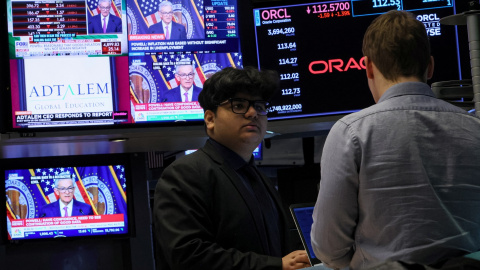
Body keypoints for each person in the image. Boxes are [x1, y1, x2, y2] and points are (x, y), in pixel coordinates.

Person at [310, 10, 480, 270]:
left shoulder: (350, 132)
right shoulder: (475, 127)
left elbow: (328, 247)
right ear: (430, 66)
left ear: (367, 66)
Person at [153, 67, 311, 270]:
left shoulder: (260, 179)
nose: (253, 113)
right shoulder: (184, 175)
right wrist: (275, 265)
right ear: (210, 119)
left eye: (260, 107)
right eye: (239, 105)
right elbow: (188, 255)